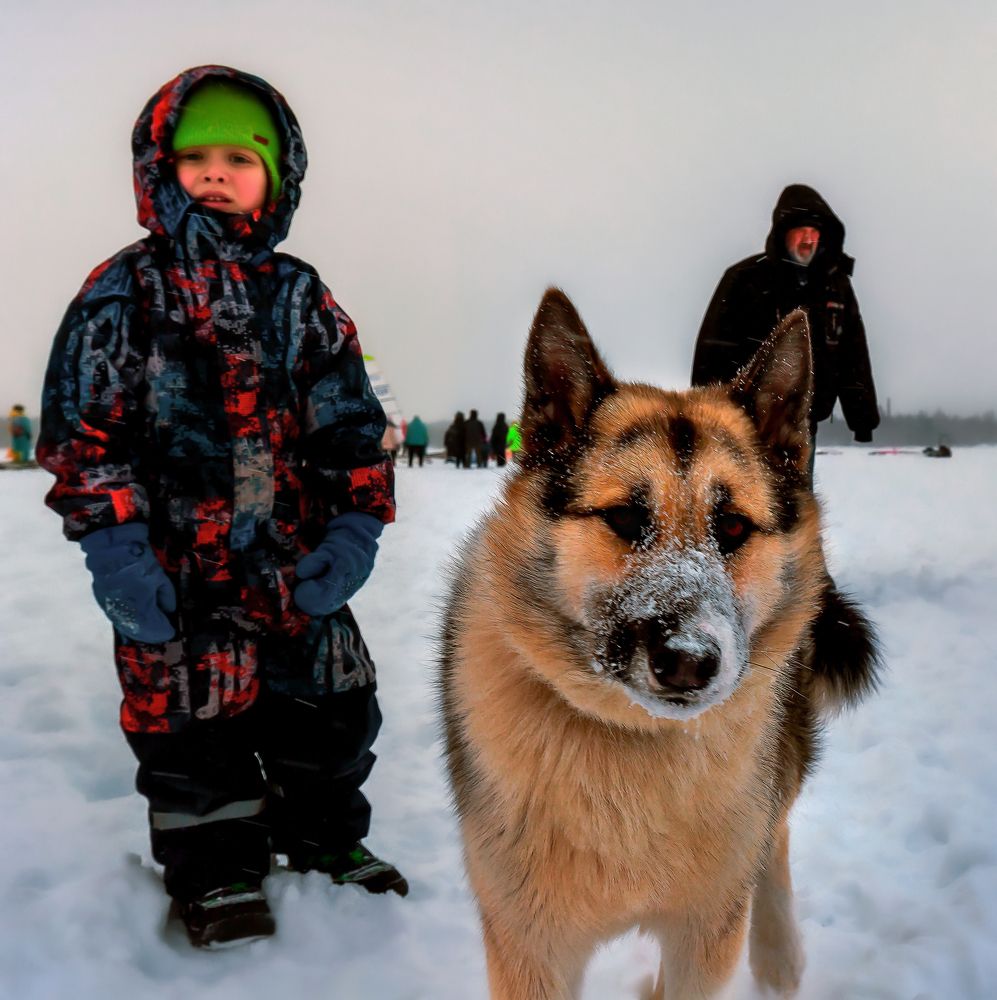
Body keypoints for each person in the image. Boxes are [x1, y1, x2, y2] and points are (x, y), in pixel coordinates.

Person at [36, 66, 407, 949]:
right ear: (157, 169)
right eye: (192, 155)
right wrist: (118, 556)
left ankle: (324, 839)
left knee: (332, 714)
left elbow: (354, 429)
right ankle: (217, 871)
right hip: (172, 583)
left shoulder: (303, 298)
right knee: (191, 739)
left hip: (296, 572)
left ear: (277, 176)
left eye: (238, 156)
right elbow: (86, 438)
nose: (213, 172)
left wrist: (353, 532)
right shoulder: (119, 296)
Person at [691, 184, 880, 474]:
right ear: (783, 233)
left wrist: (862, 415)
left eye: (815, 231)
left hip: (800, 425)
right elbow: (713, 348)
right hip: (744, 423)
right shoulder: (746, 279)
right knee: (748, 501)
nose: (808, 238)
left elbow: (852, 352)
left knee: (792, 504)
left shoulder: (836, 286)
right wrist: (706, 410)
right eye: (800, 230)